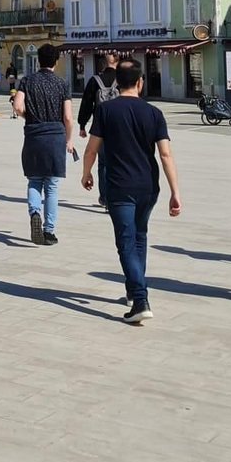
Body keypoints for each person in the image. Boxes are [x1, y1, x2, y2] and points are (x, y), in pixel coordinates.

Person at [81, 60, 181, 324]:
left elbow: (92, 148)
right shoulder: (154, 113)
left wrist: (86, 173)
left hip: (120, 185)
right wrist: (175, 191)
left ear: (118, 83)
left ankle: (140, 299)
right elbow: (166, 154)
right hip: (148, 186)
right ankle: (133, 291)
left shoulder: (106, 110)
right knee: (139, 237)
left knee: (126, 242)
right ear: (140, 82)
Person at [12, 43, 76, 245]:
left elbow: (17, 106)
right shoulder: (62, 84)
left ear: (38, 61)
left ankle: (34, 213)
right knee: (52, 186)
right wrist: (69, 139)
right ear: (56, 61)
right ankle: (49, 231)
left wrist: (29, 117)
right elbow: (68, 117)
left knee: (34, 181)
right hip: (55, 136)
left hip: (34, 135)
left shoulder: (27, 81)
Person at [77, 53, 119, 206]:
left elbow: (87, 104)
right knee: (118, 162)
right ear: (117, 62)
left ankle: (105, 198)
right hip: (119, 127)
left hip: (100, 128)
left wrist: (82, 125)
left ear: (103, 63)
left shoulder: (95, 80)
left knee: (103, 163)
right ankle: (117, 196)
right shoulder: (122, 79)